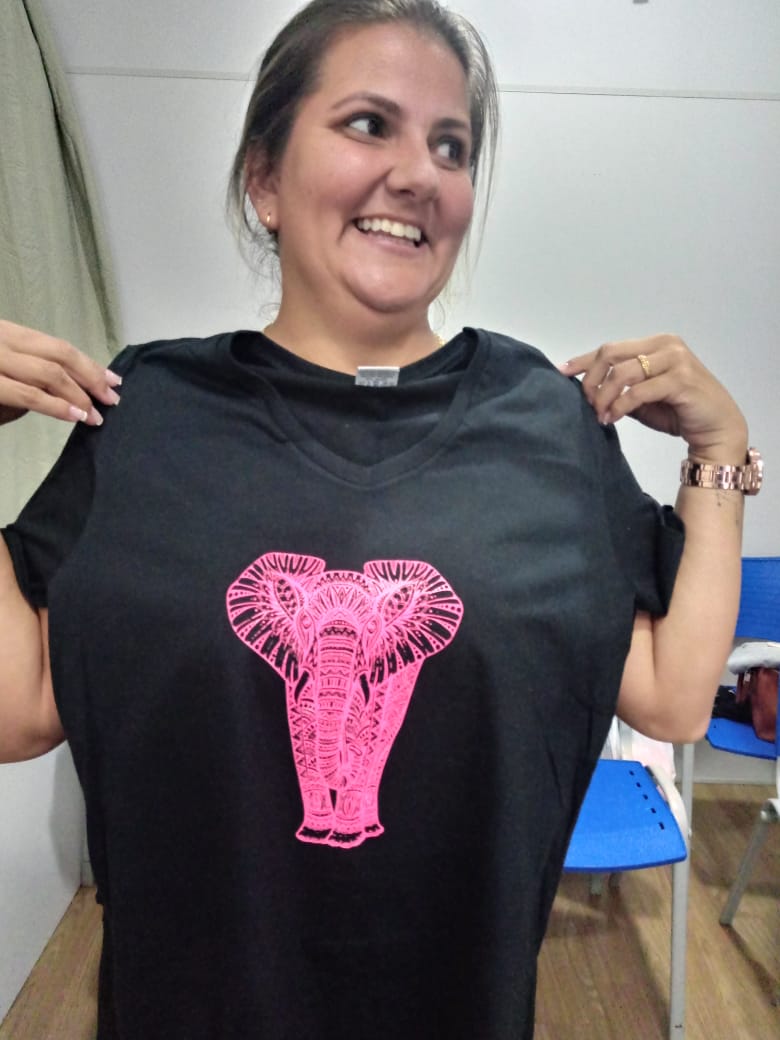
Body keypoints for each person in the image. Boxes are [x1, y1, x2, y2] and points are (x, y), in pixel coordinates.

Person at [0, 1, 758, 1037]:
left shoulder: (547, 425)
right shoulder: (148, 417)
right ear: (264, 178)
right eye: (369, 124)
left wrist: (719, 456)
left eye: (452, 146)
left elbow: (673, 694)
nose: (418, 174)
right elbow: (18, 709)